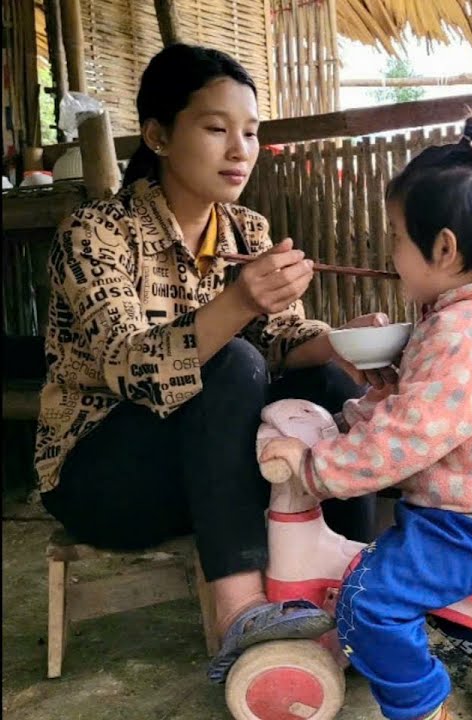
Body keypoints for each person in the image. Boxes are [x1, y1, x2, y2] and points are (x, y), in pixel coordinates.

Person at [35, 43, 389, 682]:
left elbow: (282, 336)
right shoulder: (96, 234)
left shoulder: (244, 230)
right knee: (232, 365)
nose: (239, 150)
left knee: (328, 378)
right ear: (159, 135)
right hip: (104, 478)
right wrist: (238, 301)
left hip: (211, 471)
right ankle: (240, 612)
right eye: (216, 128)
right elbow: (128, 365)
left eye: (250, 133)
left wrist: (343, 342)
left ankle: (359, 593)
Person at [260, 115, 472, 720]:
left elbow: (408, 438)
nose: (391, 255)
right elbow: (422, 408)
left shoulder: (466, 333)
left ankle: (422, 705)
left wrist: (315, 466)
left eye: (398, 238)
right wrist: (363, 408)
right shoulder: (471, 319)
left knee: (368, 598)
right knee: (399, 572)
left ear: (445, 248)